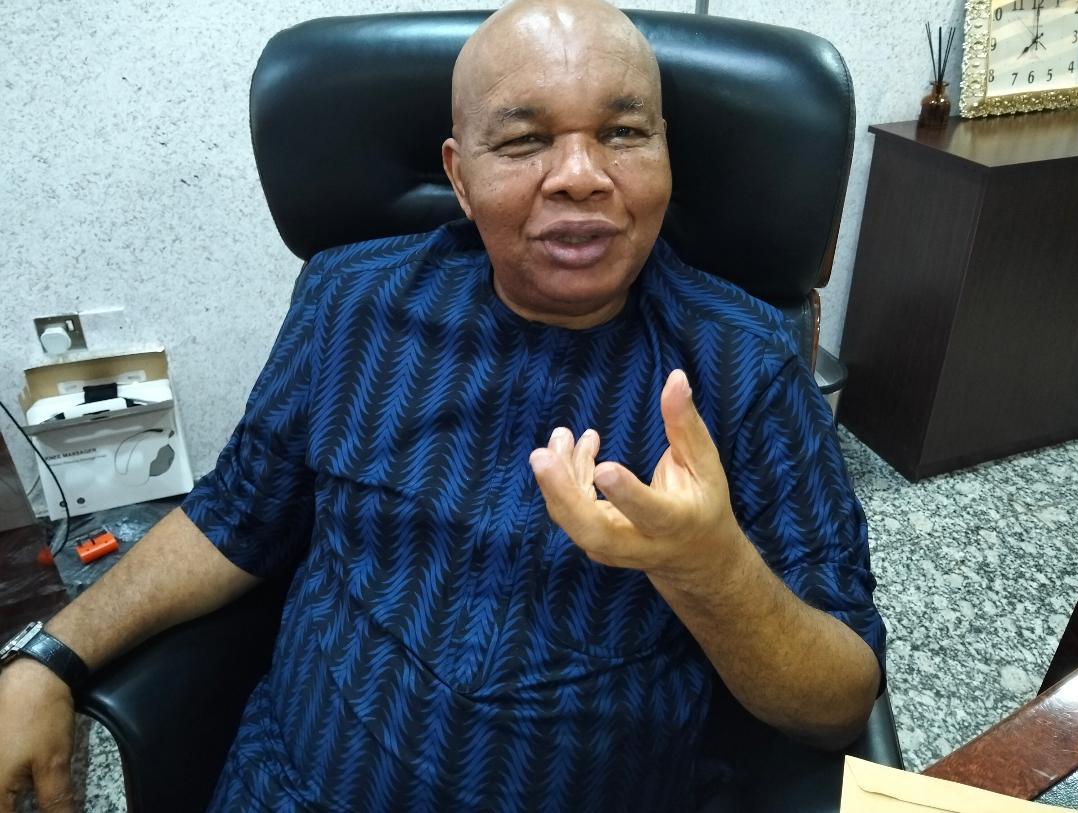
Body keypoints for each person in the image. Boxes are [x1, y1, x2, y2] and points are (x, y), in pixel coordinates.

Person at [0, 0, 884, 810]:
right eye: (525, 140)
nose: (581, 176)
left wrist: (708, 564)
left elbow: (839, 702)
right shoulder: (351, 301)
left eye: (623, 133)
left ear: (665, 154)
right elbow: (235, 516)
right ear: (460, 178)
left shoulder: (740, 361)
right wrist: (49, 656)